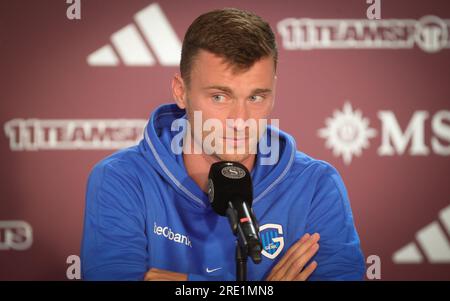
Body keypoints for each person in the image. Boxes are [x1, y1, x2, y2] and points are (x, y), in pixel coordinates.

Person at [81, 7, 365, 281]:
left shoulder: (316, 184)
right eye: (219, 97)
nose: (240, 119)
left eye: (256, 97)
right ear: (181, 92)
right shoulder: (120, 179)